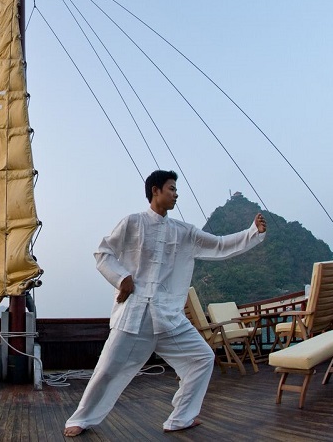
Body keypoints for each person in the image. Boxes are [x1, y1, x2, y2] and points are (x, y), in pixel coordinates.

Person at [63, 170, 267, 437]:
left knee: (202, 358)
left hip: (168, 317)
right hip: (134, 316)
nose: (176, 194)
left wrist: (252, 233)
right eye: (172, 188)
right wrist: (122, 278)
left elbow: (218, 245)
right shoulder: (132, 223)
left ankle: (181, 417)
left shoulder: (184, 232)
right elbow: (103, 253)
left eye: (176, 189)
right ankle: (81, 419)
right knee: (107, 369)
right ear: (155, 190)